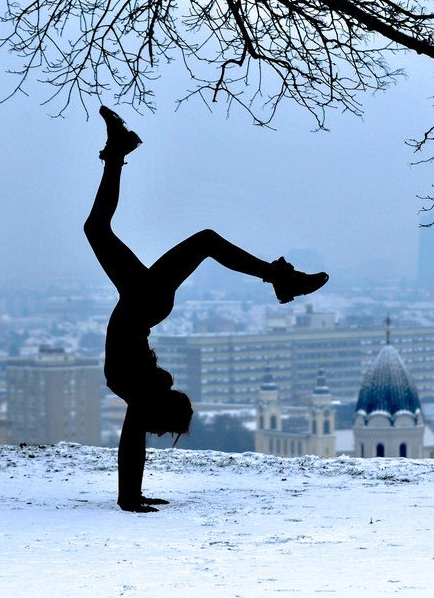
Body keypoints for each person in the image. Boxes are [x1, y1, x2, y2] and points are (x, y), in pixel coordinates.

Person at [86, 106, 329, 512]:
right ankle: (281, 280)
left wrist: (130, 497)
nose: (159, 431)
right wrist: (129, 496)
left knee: (184, 239)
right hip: (144, 300)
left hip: (143, 300)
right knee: (203, 241)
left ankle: (118, 150)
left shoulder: (142, 394)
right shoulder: (142, 391)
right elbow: (133, 443)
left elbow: (132, 443)